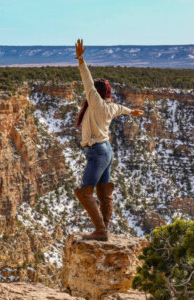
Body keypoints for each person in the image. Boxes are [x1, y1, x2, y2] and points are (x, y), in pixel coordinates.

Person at [73, 38, 143, 241]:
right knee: (104, 192)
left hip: (97, 151)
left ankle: (101, 231)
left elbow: (87, 80)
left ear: (97, 92)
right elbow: (121, 108)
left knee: (84, 193)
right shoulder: (111, 106)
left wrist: (80, 59)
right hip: (107, 151)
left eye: (95, 90)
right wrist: (133, 112)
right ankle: (104, 230)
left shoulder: (95, 103)